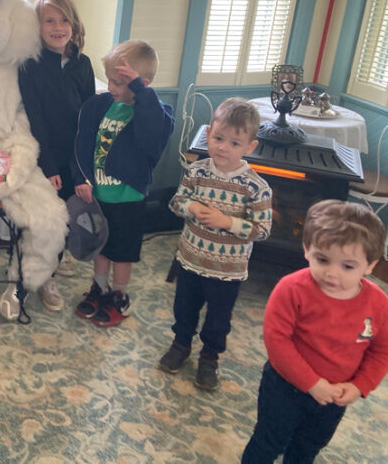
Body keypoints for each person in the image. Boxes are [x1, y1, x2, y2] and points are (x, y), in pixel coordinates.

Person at [241, 200, 388, 463]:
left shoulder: (379, 304)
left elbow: (382, 351)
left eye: (347, 266)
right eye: (323, 259)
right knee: (268, 442)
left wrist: (359, 386)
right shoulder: (291, 289)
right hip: (284, 387)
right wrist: (311, 383)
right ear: (307, 249)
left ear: (370, 265)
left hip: (334, 397)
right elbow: (277, 341)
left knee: (307, 448)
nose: (332, 273)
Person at [159, 98, 272, 390]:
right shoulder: (196, 172)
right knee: (184, 307)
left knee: (219, 318)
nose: (223, 147)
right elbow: (176, 202)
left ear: (250, 147)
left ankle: (210, 357)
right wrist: (192, 207)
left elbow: (262, 230)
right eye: (219, 138)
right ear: (208, 134)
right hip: (190, 260)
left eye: (234, 143)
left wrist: (227, 222)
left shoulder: (256, 187)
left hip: (227, 271)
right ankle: (181, 344)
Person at [72, 39, 174, 327]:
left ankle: (119, 295)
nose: (111, 87)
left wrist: (141, 93)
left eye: (119, 82)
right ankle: (99, 288)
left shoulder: (158, 114)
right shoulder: (99, 106)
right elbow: (81, 145)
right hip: (98, 196)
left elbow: (151, 137)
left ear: (142, 84)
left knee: (122, 253)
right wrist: (82, 177)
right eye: (109, 80)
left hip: (128, 199)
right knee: (101, 246)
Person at [18, 0, 95, 312]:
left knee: (66, 215)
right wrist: (49, 166)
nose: (58, 27)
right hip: (44, 155)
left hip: (74, 155)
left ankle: (55, 261)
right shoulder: (30, 65)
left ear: (73, 24)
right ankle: (45, 276)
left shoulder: (83, 64)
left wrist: (83, 167)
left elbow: (89, 117)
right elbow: (35, 119)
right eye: (49, 20)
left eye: (64, 20)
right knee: (47, 219)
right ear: (37, 27)